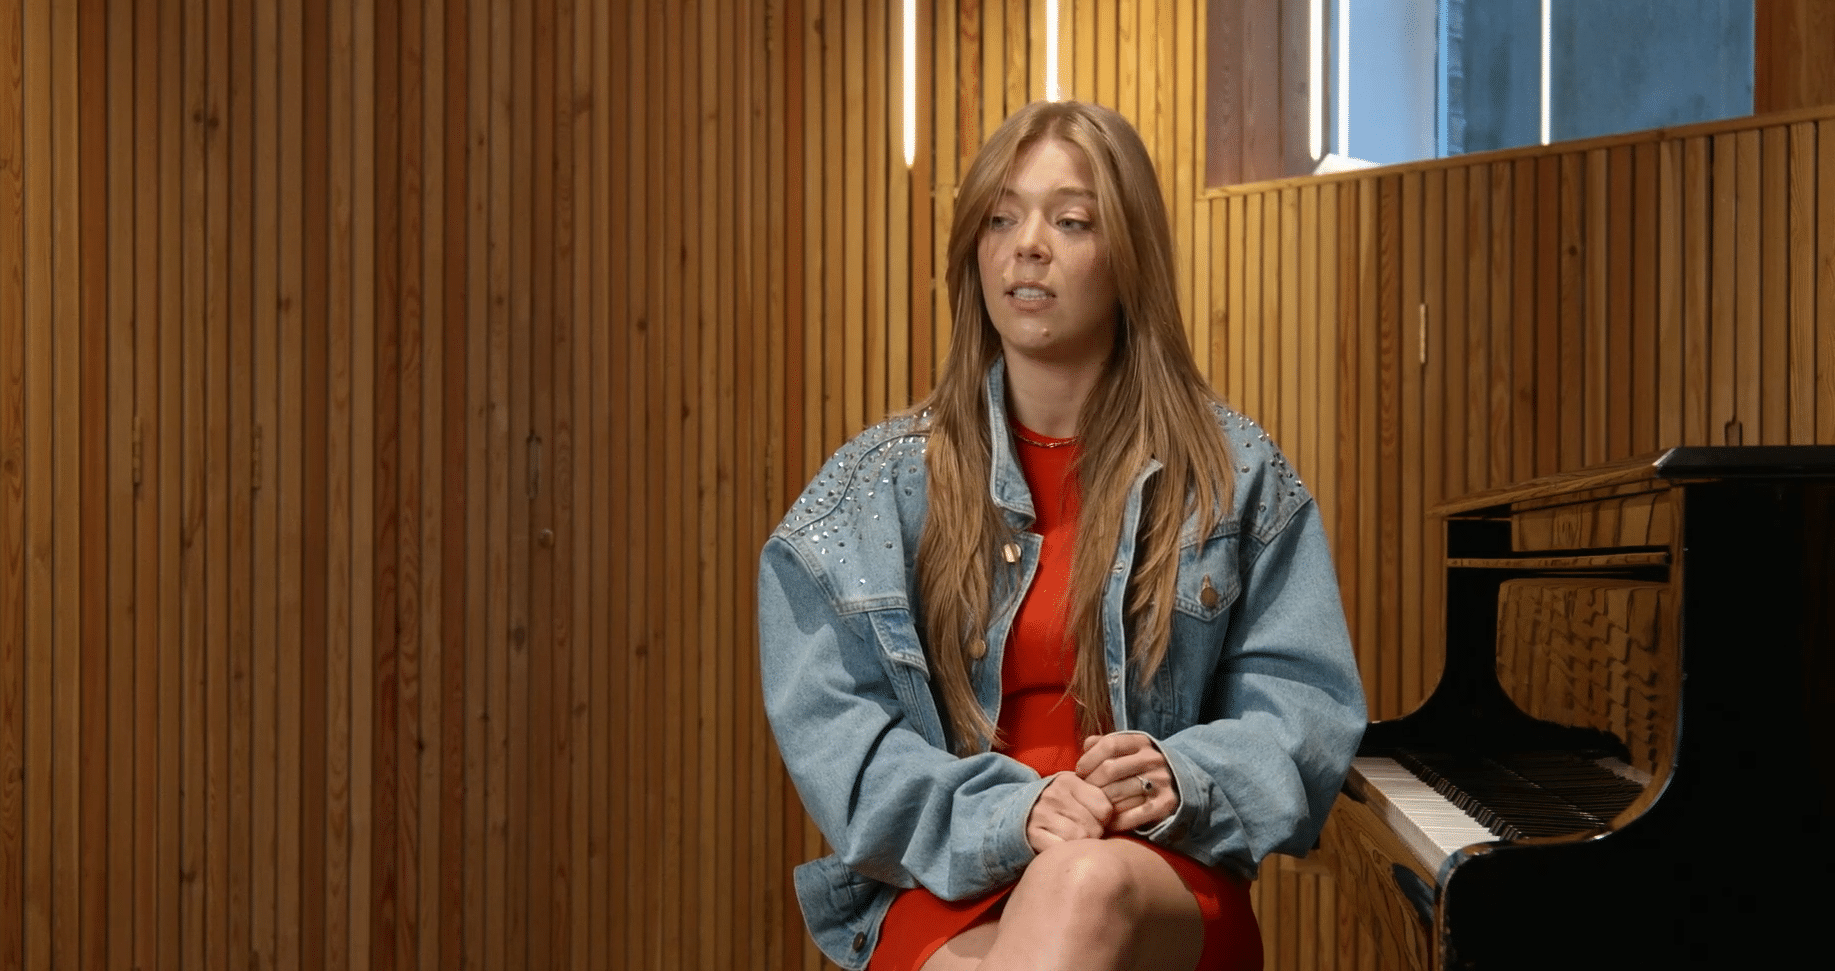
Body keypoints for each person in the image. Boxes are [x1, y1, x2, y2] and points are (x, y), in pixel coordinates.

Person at [757, 100, 1365, 971]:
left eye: (1069, 220)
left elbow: (1303, 711)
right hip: (947, 873)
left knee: (1078, 884)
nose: (1027, 244)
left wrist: (1176, 776)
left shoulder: (1234, 472)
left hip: (1152, 874)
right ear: (974, 250)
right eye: (1000, 217)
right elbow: (841, 740)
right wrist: (1013, 815)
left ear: (1128, 256)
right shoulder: (872, 487)